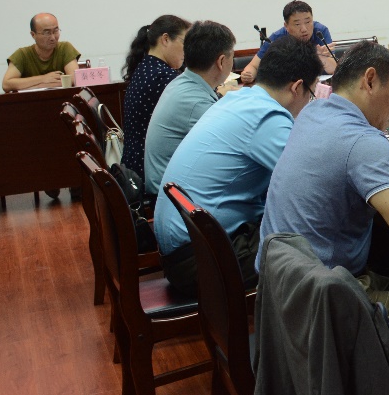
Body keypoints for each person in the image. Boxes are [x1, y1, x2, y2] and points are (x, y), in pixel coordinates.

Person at [153, 35, 323, 296]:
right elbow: (314, 182)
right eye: (311, 94)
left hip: (184, 250)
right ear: (297, 87)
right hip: (201, 260)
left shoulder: (239, 99)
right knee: (317, 233)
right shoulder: (268, 117)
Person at [258, 42, 389, 318]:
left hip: (279, 281)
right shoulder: (365, 142)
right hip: (321, 299)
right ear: (370, 80)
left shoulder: (311, 113)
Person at [144, 20, 236, 196]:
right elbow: (233, 148)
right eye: (232, 56)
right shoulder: (196, 104)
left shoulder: (181, 82)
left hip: (171, 187)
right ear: (222, 61)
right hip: (174, 198)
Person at [120, 15, 190, 174]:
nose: (187, 51)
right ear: (165, 39)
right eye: (184, 43)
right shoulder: (163, 77)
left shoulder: (146, 67)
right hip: (149, 169)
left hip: (135, 163)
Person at [240, 0, 336, 83]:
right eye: (297, 24)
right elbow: (253, 66)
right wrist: (248, 75)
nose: (304, 29)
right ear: (286, 26)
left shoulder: (320, 32)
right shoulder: (277, 38)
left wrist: (322, 58)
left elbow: (334, 69)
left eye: (308, 22)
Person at [1, 13, 81, 91]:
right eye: (47, 33)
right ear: (33, 35)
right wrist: (43, 79)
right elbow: (6, 84)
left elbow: (74, 79)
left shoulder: (65, 48)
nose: (53, 37)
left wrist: (37, 86)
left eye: (55, 31)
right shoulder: (22, 54)